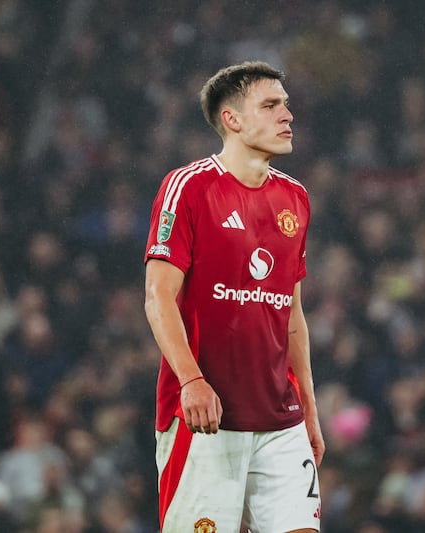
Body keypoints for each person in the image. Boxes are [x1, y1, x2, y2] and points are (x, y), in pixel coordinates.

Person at [143, 61, 325, 532]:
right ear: (232, 119)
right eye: (270, 105)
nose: (287, 115)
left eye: (286, 104)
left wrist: (308, 405)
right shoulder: (188, 188)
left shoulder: (296, 198)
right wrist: (191, 382)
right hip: (207, 419)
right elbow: (158, 297)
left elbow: (292, 314)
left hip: (280, 420)